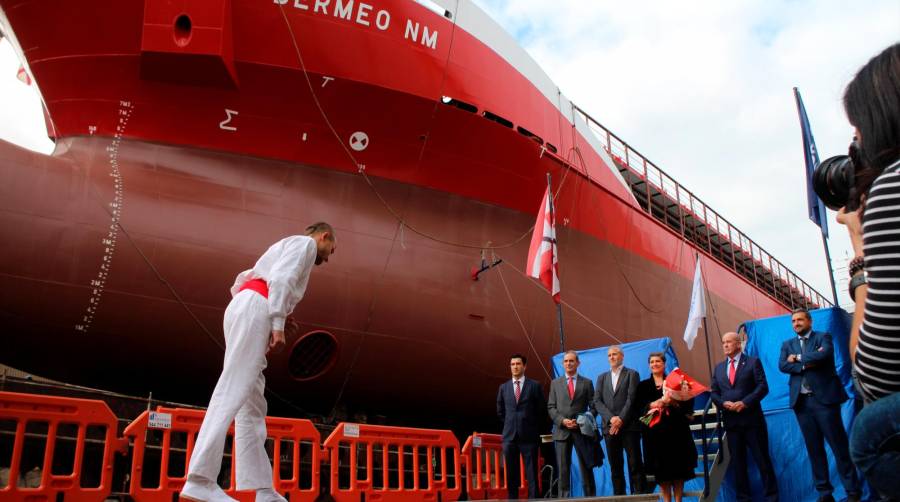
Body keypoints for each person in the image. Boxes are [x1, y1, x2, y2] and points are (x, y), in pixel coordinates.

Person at [182, 223, 337, 502]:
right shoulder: (305, 245)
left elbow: (255, 281)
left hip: (250, 304)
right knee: (233, 389)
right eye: (331, 250)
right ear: (324, 236)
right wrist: (276, 321)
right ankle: (200, 478)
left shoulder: (285, 246)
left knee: (251, 404)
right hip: (255, 306)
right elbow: (280, 279)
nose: (327, 258)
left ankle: (262, 489)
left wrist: (274, 316)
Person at [834, 42, 900, 499]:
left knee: (870, 430)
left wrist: (860, 249)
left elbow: (875, 374)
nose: (856, 146)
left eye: (858, 133)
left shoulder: (891, 188)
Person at [778, 308, 860, 502]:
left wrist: (797, 359)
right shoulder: (787, 344)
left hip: (824, 401)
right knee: (814, 450)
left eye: (800, 320)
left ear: (810, 322)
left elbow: (824, 355)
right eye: (793, 321)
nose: (796, 323)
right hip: (802, 404)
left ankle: (853, 492)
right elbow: (783, 366)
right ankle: (825, 493)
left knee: (839, 447)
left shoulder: (824, 337)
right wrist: (808, 362)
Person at [709, 332, 778, 502]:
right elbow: (714, 392)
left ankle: (772, 498)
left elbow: (762, 387)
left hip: (752, 421)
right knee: (738, 464)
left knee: (762, 461)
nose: (725, 345)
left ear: (738, 344)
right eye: (723, 342)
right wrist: (723, 403)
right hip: (732, 423)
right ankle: (743, 499)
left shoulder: (753, 362)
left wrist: (744, 403)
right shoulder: (718, 368)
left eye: (729, 342)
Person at [636, 352, 695, 502]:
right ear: (649, 365)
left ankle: (678, 500)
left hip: (676, 431)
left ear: (664, 364)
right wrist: (654, 404)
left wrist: (673, 402)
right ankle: (667, 500)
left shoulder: (676, 381)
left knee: (679, 469)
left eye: (658, 361)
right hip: (655, 434)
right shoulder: (643, 386)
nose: (655, 364)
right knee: (661, 471)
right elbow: (638, 407)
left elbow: (688, 403)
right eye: (652, 362)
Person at [593, 345, 645, 495]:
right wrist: (611, 419)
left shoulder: (632, 374)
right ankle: (619, 496)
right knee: (615, 466)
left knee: (634, 463)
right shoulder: (602, 377)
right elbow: (597, 401)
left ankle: (640, 495)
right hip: (610, 429)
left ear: (622, 356)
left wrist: (621, 419)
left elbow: (632, 398)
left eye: (614, 354)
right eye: (609, 355)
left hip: (629, 427)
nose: (611, 357)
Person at [548, 350, 597, 497]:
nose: (568, 363)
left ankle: (591, 498)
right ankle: (564, 499)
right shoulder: (555, 383)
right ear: (563, 364)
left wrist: (582, 420)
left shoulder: (587, 383)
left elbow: (594, 407)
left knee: (586, 468)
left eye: (571, 361)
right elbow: (551, 407)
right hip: (562, 431)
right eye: (566, 361)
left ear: (578, 363)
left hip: (581, 431)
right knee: (563, 469)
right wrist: (562, 421)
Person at [496, 354, 545, 500]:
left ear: (525, 366)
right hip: (510, 436)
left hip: (529, 436)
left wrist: (529, 424)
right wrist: (511, 424)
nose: (515, 367)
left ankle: (534, 498)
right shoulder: (503, 388)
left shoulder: (534, 386)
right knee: (511, 472)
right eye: (512, 364)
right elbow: (500, 411)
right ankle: (512, 499)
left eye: (518, 364)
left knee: (532, 473)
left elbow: (541, 409)